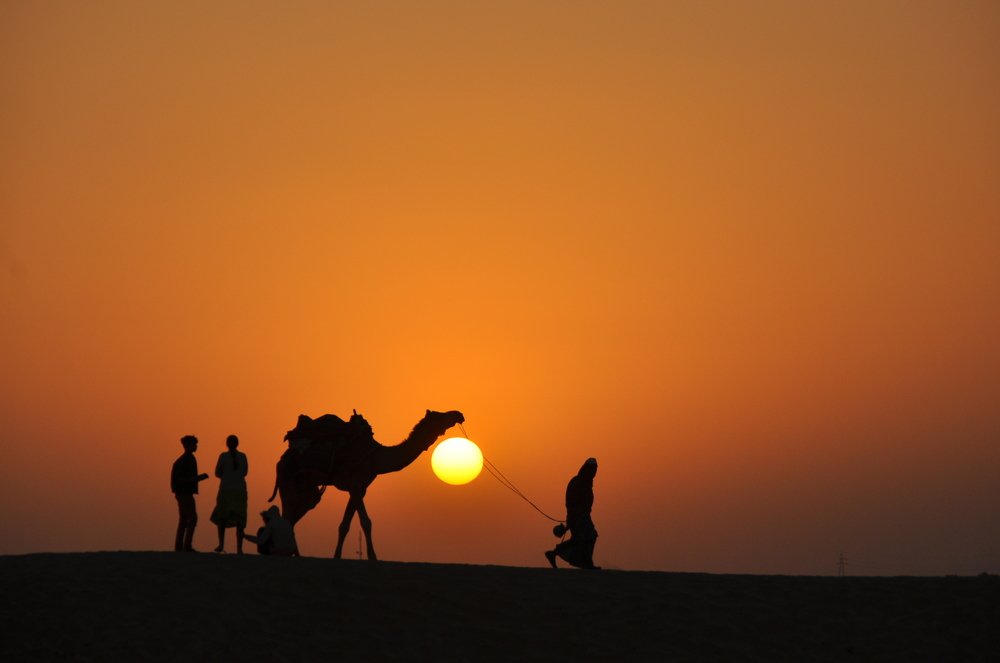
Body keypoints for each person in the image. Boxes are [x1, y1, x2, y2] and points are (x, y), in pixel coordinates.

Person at [545, 457, 600, 570]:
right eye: (592, 469)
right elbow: (571, 502)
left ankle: (554, 553)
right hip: (578, 516)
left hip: (583, 516)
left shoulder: (587, 483)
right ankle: (587, 563)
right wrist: (574, 517)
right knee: (588, 537)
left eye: (595, 469)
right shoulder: (577, 482)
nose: (594, 472)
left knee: (580, 539)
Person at [210, 434, 249, 554]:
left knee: (222, 518)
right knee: (239, 521)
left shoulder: (223, 456)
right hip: (239, 490)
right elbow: (245, 472)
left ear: (227, 444)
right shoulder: (242, 456)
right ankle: (239, 548)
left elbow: (217, 473)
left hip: (226, 490)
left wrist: (227, 476)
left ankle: (221, 544)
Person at [171, 435, 210, 552]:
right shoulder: (185, 460)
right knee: (192, 518)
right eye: (194, 444)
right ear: (187, 446)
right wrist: (198, 478)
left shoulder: (186, 459)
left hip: (183, 493)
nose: (196, 446)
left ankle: (179, 547)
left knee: (183, 520)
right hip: (184, 493)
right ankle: (187, 546)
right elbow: (181, 479)